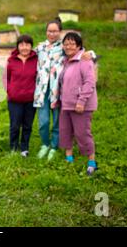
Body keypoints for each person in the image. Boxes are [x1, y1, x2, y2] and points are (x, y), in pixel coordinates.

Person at [33, 17, 94, 161]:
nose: (52, 34)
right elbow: (25, 53)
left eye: (55, 31)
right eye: (49, 31)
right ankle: (44, 144)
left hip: (58, 90)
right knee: (43, 121)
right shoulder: (40, 47)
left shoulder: (64, 46)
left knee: (56, 121)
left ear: (60, 32)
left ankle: (54, 146)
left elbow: (81, 51)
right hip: (41, 90)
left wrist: (90, 54)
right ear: (46, 32)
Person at [57, 32, 98, 175]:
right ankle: (69, 157)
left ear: (79, 45)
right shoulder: (65, 61)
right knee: (65, 131)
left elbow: (89, 82)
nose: (68, 46)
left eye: (72, 43)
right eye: (66, 43)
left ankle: (91, 161)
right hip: (66, 104)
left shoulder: (85, 60)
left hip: (81, 105)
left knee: (82, 133)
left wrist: (81, 101)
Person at [3, 35, 38, 157]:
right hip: (14, 100)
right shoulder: (11, 61)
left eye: (27, 44)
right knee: (15, 125)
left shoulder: (36, 60)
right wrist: (9, 91)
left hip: (30, 100)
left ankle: (24, 148)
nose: (24, 47)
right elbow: (5, 78)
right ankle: (13, 147)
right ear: (18, 46)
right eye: (22, 44)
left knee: (27, 125)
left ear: (31, 46)